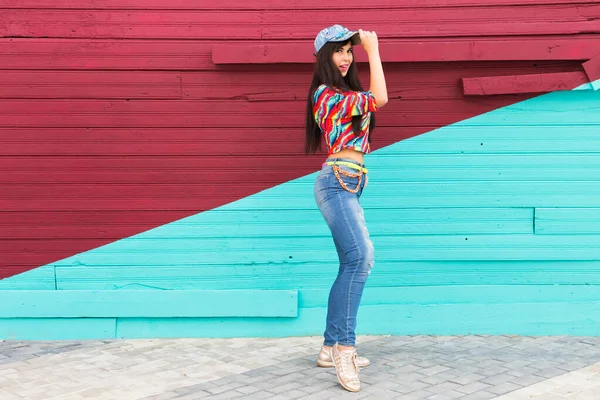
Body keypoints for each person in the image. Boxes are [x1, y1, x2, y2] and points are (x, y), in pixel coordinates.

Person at [305, 24, 388, 392]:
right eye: (339, 51)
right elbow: (381, 98)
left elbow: (370, 103)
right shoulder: (324, 95)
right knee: (362, 259)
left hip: (351, 180)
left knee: (350, 263)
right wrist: (374, 51)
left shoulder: (347, 93)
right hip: (336, 180)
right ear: (324, 55)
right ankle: (344, 348)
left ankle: (327, 346)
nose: (346, 57)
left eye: (350, 51)